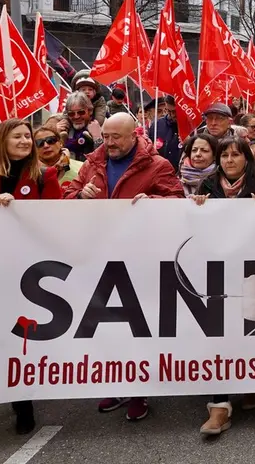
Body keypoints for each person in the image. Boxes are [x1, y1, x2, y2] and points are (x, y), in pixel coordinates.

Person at [63, 113, 184, 423]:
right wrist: (79, 195)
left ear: (134, 136)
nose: (109, 142)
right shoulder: (93, 163)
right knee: (110, 321)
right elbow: (65, 195)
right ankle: (118, 383)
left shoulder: (158, 166)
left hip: (141, 256)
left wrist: (153, 200)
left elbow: (177, 199)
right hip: (101, 255)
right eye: (105, 135)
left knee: (137, 325)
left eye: (116, 136)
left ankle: (140, 390)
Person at [0, 119, 62, 435]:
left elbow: (55, 220)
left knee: (25, 335)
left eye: (28, 137)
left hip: (31, 271)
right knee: (3, 336)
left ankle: (28, 395)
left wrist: (16, 208)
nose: (24, 141)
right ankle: (15, 397)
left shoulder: (45, 176)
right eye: (18, 136)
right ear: (2, 142)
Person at [190, 135, 255, 435]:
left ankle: (251, 383)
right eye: (224, 155)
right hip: (217, 273)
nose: (229, 161)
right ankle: (219, 405)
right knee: (218, 334)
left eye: (236, 155)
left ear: (246, 159)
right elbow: (193, 228)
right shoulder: (208, 186)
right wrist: (198, 207)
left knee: (250, 329)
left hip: (251, 272)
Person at [65, 92, 103, 162]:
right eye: (71, 113)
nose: (76, 116)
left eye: (81, 112)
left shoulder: (103, 127)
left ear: (90, 111)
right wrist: (56, 136)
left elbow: (104, 159)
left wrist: (97, 137)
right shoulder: (64, 128)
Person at [151, 96, 182, 169]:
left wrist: (189, 142)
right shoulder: (157, 125)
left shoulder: (194, 126)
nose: (172, 115)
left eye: (175, 111)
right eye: (168, 111)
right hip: (161, 173)